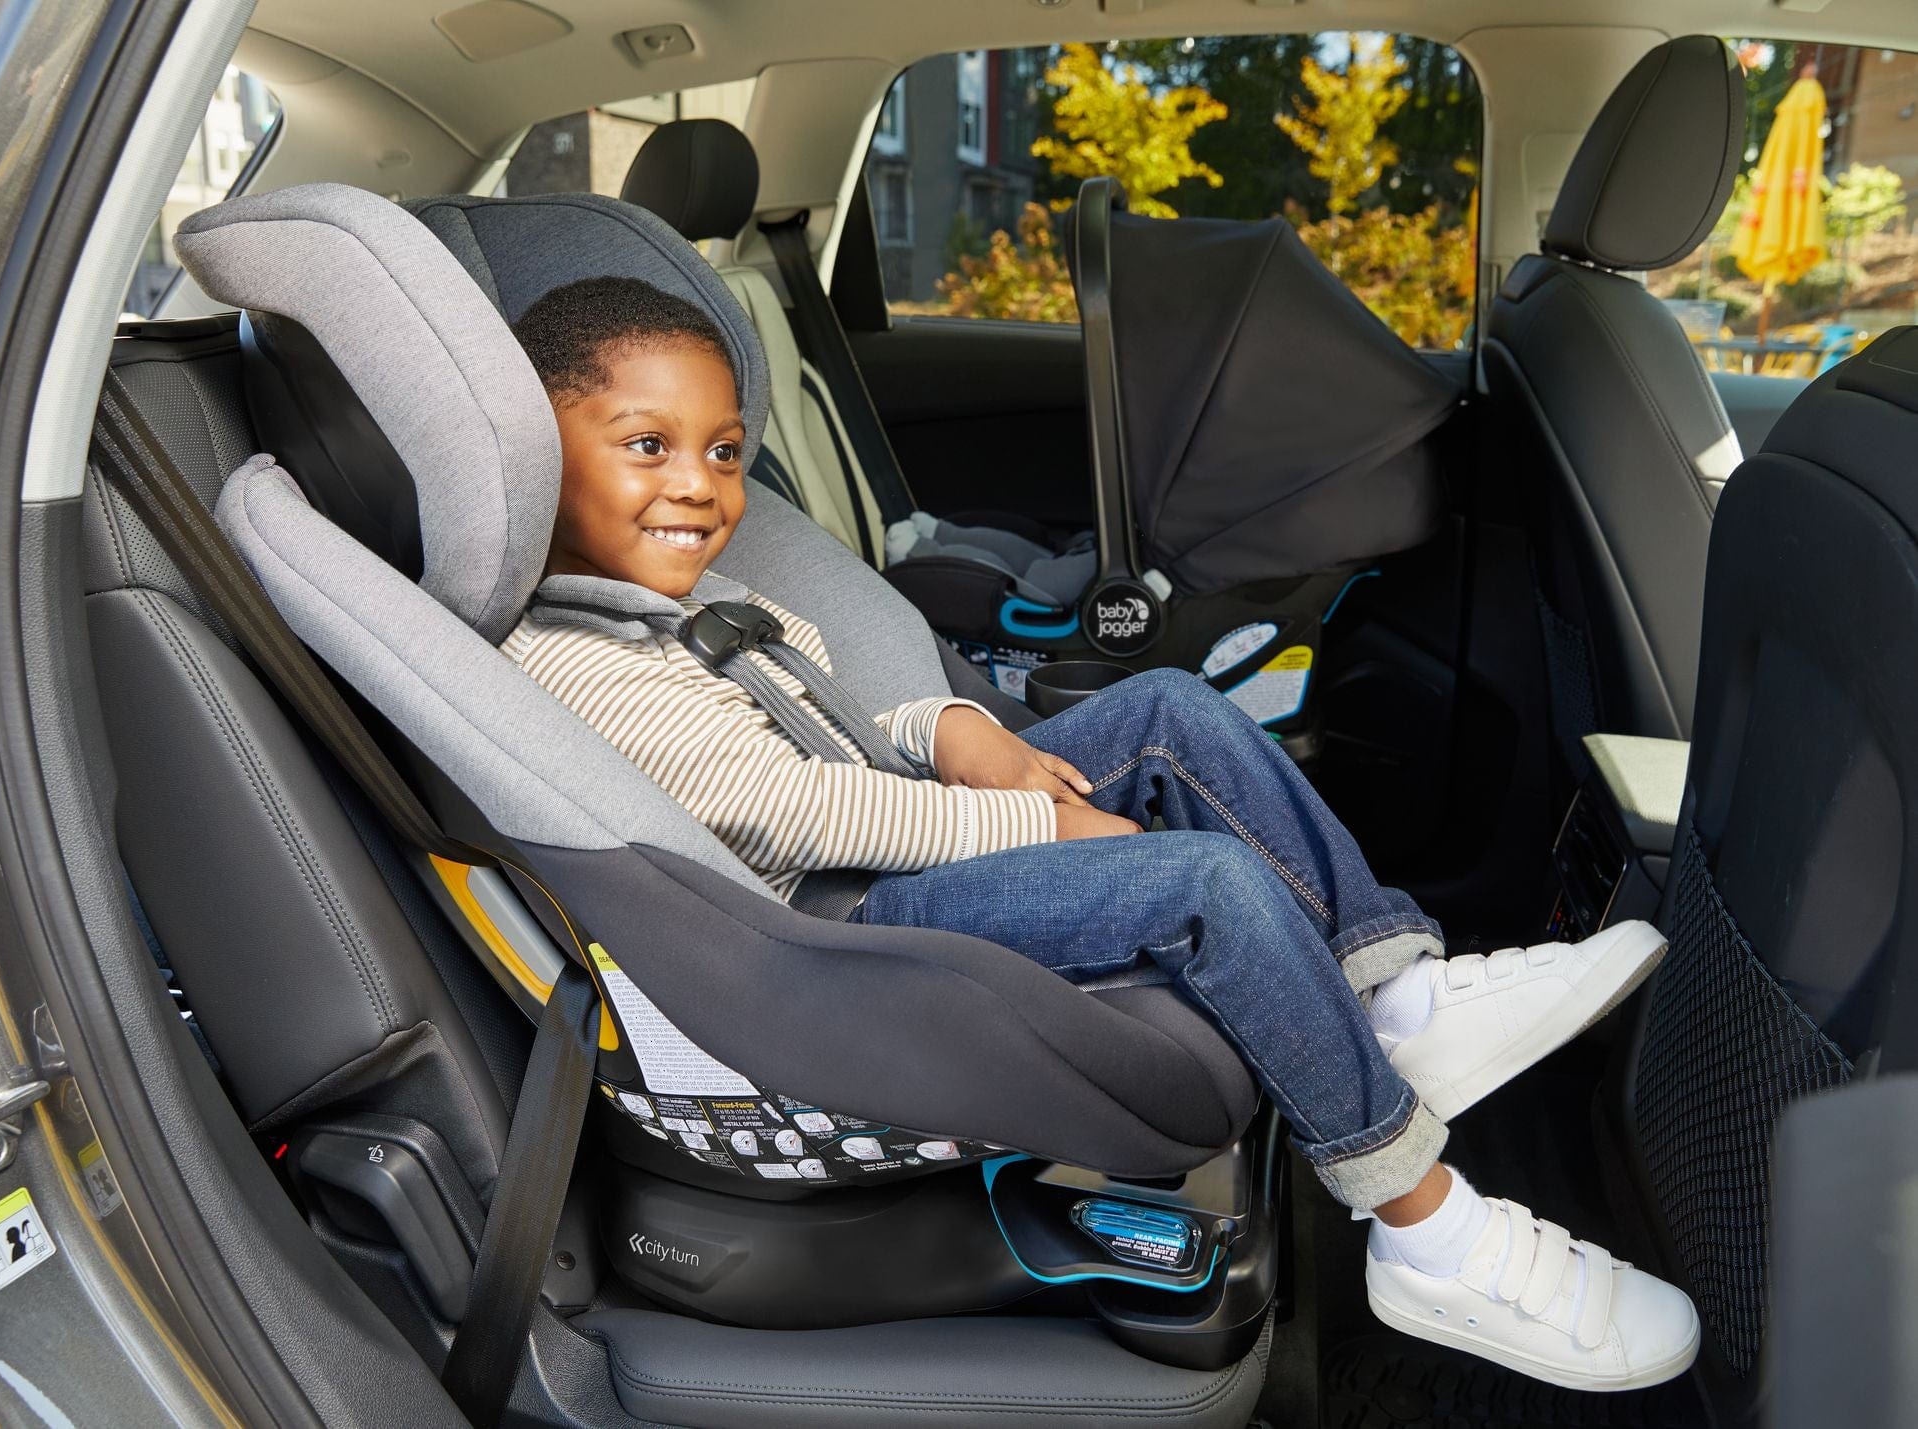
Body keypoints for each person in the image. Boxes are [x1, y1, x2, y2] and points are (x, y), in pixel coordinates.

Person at [502, 275, 1699, 1392]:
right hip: (836, 921)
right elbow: (800, 806)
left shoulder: (713, 607)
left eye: (721, 452)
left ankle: (1396, 996)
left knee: (1178, 709)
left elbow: (848, 734)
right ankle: (1425, 1226)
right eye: (644, 446)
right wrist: (1038, 819)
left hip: (888, 834)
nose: (701, 487)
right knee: (1207, 887)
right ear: (526, 451)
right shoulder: (568, 663)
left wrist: (957, 728)